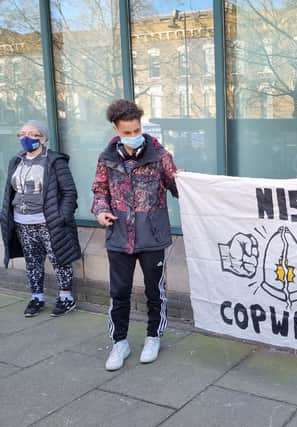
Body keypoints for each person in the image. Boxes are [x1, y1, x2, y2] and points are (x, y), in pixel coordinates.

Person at [92, 99, 179, 371]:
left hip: (152, 236)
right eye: (127, 132)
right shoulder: (107, 157)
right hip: (118, 237)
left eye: (136, 129)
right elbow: (99, 191)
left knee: (155, 291)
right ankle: (120, 342)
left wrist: (183, 180)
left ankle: (153, 336)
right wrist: (101, 211)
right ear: (117, 130)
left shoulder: (160, 155)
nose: (133, 135)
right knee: (119, 292)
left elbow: (176, 187)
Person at [1, 120, 81, 317]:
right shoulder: (16, 160)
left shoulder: (55, 161)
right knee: (32, 261)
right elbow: (10, 191)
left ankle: (66, 298)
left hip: (50, 221)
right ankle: (37, 297)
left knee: (59, 259)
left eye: (32, 134)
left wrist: (62, 216)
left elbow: (69, 192)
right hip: (22, 221)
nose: (26, 138)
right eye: (22, 134)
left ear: (43, 138)